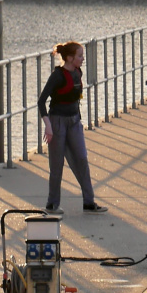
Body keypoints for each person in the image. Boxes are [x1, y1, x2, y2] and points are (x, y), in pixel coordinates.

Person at [38, 41, 107, 215]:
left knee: (82, 159)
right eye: (80, 56)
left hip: (74, 121)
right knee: (57, 164)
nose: (83, 59)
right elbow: (41, 101)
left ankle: (89, 202)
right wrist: (48, 126)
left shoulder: (77, 72)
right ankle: (52, 204)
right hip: (57, 122)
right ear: (69, 58)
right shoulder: (57, 76)